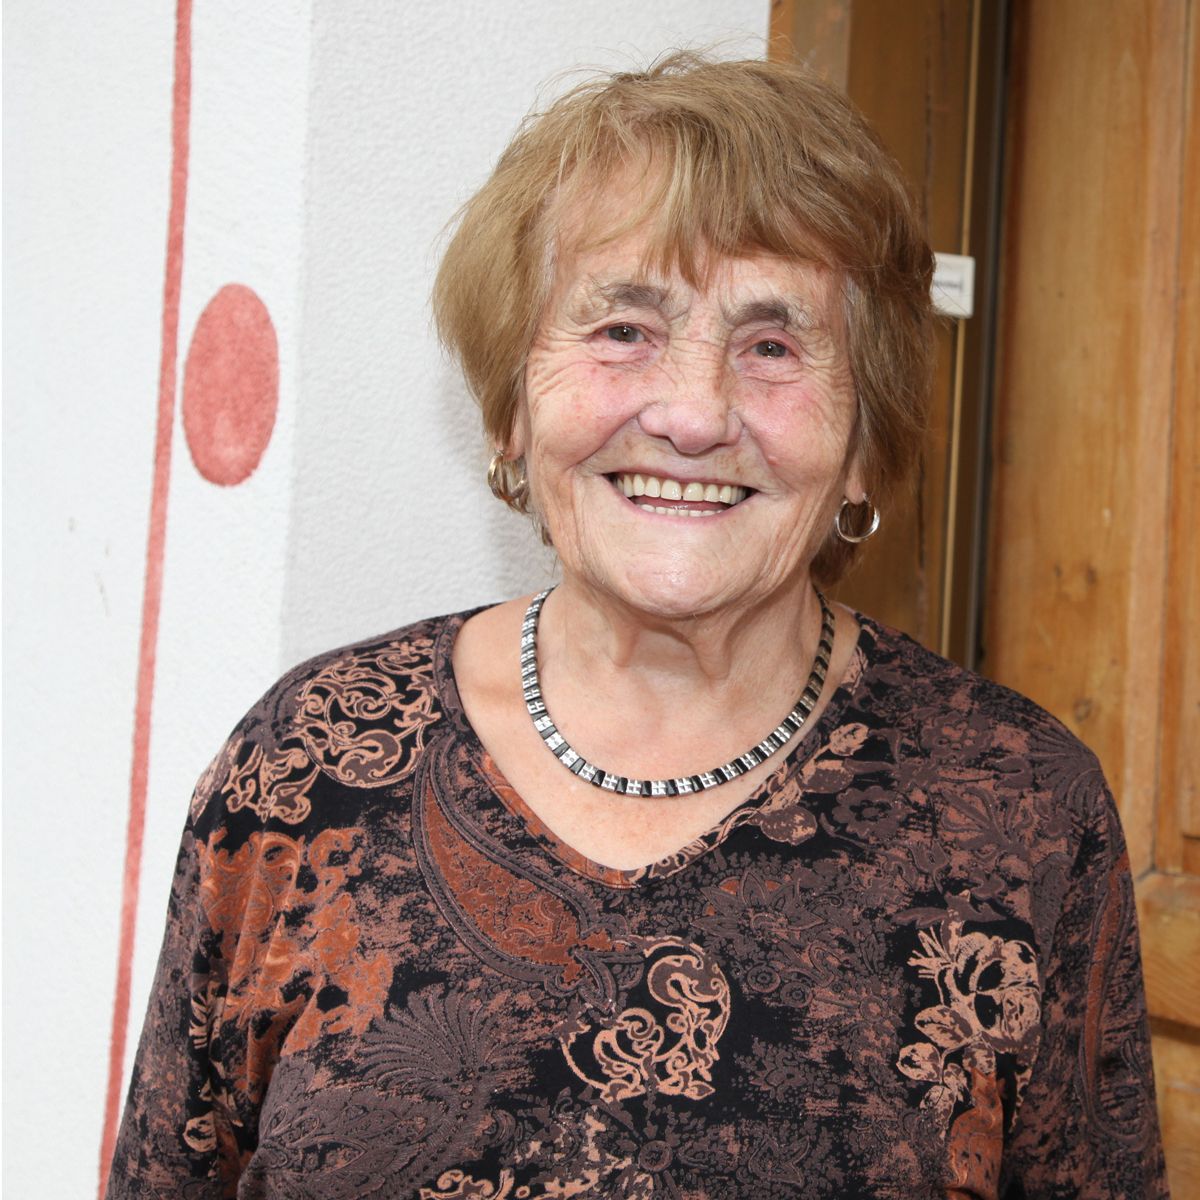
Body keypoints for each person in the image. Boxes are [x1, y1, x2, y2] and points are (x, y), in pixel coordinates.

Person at [107, 53, 1167, 1199]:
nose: (695, 414)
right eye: (623, 329)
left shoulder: (1020, 810)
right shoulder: (309, 765)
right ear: (512, 410)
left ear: (866, 437)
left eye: (773, 347)